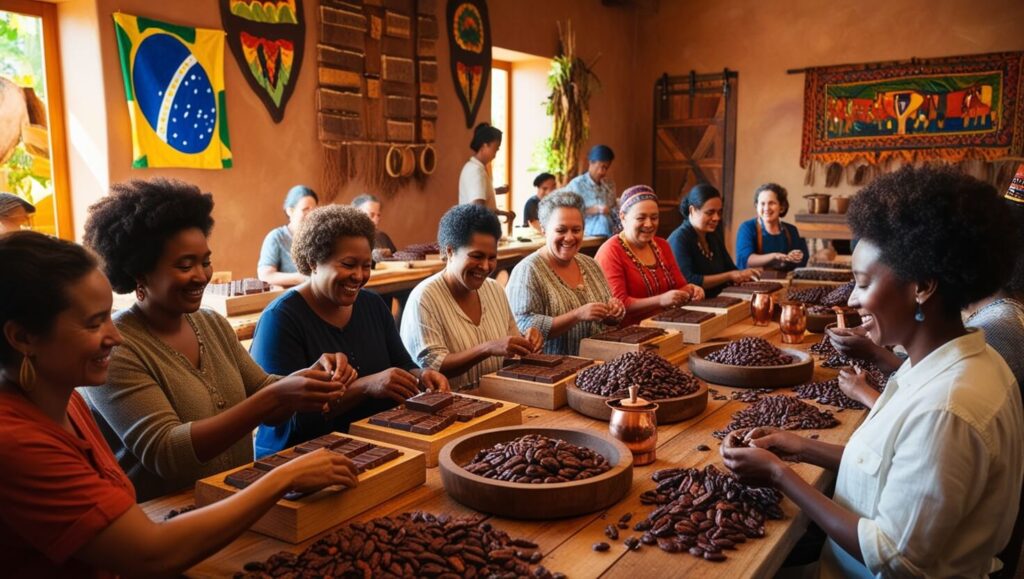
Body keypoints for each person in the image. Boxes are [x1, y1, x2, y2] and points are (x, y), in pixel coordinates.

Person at [720, 166, 1024, 578]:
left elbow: (894, 556)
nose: (855, 301)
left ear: (922, 287)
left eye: (863, 283)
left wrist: (779, 475)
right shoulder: (950, 364)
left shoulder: (949, 409)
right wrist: (798, 446)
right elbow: (894, 469)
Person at [0, 231, 357, 577]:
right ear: (22, 337)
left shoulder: (67, 402)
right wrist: (285, 476)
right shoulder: (16, 442)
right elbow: (149, 553)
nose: (115, 336)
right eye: (95, 324)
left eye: (109, 316)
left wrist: (309, 383)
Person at [82, 179, 356, 501]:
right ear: (140, 273)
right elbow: (167, 451)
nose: (201, 275)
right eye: (185, 265)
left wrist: (312, 379)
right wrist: (276, 396)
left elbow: (267, 398)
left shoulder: (210, 324)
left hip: (237, 502)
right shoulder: (117, 349)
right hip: (166, 520)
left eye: (206, 261)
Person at [250, 205, 450, 457]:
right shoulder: (281, 319)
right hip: (301, 459)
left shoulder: (372, 305)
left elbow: (401, 362)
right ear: (313, 261)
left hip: (373, 445)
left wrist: (421, 375)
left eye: (366, 265)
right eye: (348, 264)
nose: (358, 276)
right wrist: (366, 385)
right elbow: (288, 417)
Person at [401, 204, 542, 390]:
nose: (485, 266)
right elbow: (434, 368)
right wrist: (487, 348)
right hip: (448, 410)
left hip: (498, 402)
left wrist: (526, 342)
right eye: (477, 256)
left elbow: (510, 349)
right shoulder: (425, 299)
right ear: (450, 252)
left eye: (492, 258)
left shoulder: (495, 291)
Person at [506, 191, 626, 355]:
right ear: (544, 230)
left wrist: (612, 314)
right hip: (551, 373)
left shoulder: (591, 264)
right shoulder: (528, 270)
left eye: (576, 230)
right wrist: (577, 315)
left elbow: (605, 317)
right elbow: (522, 327)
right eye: (561, 230)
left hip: (597, 367)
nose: (569, 238)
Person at [595, 185, 705, 327]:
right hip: (629, 334)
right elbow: (620, 304)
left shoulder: (662, 245)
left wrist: (692, 290)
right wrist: (660, 300)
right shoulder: (611, 251)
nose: (649, 224)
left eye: (654, 218)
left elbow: (681, 287)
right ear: (623, 217)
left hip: (667, 327)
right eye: (641, 218)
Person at [667, 183, 760, 297]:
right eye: (710, 212)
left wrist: (743, 275)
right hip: (692, 307)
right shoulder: (679, 239)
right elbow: (689, 280)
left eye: (719, 212)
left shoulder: (712, 235)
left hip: (719, 301)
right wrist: (730, 276)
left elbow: (731, 269)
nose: (716, 218)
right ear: (692, 210)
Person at [734, 183, 809, 270]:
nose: (766, 208)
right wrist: (775, 256)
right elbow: (746, 259)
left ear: (782, 207)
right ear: (756, 206)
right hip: (753, 282)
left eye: (771, 203)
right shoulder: (747, 228)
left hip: (784, 282)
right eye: (762, 203)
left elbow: (802, 260)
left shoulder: (791, 230)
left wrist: (796, 256)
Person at [257, 185, 318, 288]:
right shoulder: (276, 237)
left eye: (314, 210)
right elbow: (265, 275)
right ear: (290, 211)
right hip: (289, 299)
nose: (311, 215)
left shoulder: (319, 236)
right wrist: (303, 278)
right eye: (305, 209)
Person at [458, 123, 514, 223]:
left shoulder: (477, 168)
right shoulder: (475, 171)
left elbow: (485, 206)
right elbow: (478, 210)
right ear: (484, 145)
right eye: (495, 149)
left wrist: (502, 213)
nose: (495, 154)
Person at [565, 145, 617, 238]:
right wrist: (594, 210)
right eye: (602, 167)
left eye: (607, 168)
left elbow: (614, 208)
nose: (603, 172)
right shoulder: (576, 185)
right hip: (584, 232)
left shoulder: (609, 184)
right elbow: (567, 211)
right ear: (591, 162)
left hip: (610, 230)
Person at [351, 193, 398, 262]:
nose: (377, 219)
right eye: (372, 215)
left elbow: (396, 260)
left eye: (378, 215)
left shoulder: (382, 237)